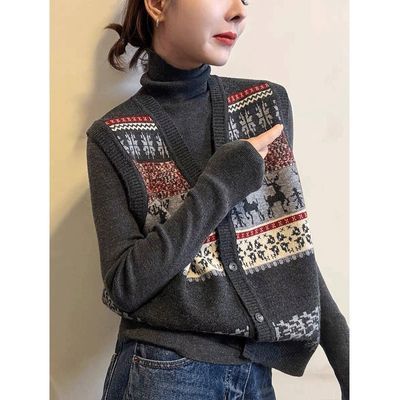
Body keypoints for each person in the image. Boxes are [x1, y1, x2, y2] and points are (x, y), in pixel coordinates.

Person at [86, 1, 350, 399]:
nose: (239, 12)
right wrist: (220, 184)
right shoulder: (113, 136)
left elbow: (290, 246)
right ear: (157, 4)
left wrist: (347, 359)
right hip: (164, 375)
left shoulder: (264, 106)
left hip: (255, 378)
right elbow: (126, 284)